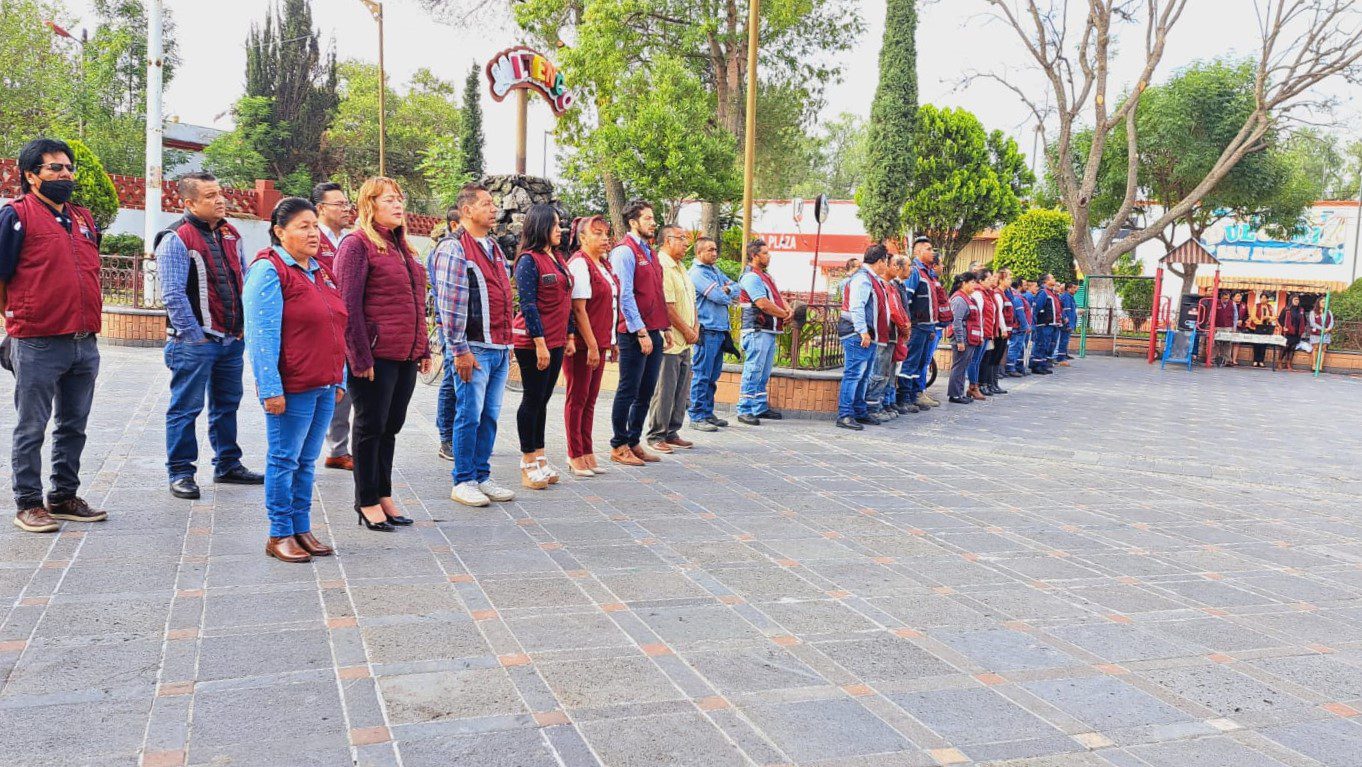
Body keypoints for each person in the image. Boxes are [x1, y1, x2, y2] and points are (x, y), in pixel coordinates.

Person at [0, 138, 108, 533]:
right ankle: (28, 503)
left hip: (84, 341)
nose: (65, 174)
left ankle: (63, 496)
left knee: (73, 425)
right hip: (38, 341)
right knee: (32, 426)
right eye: (54, 168)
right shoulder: (16, 215)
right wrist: (16, 321)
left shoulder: (82, 218)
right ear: (31, 176)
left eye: (68, 168)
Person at [243, 197, 347, 562]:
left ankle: (301, 527)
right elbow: (261, 335)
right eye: (303, 226)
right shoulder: (269, 270)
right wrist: (270, 388)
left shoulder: (320, 270)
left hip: (323, 383)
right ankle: (279, 533)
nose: (313, 233)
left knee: (306, 461)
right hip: (292, 386)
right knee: (284, 459)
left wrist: (340, 378)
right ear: (279, 231)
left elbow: (337, 327)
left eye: (315, 226)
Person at [155, 171, 263, 500]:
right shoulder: (176, 238)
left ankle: (228, 464)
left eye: (220, 194)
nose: (219, 201)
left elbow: (243, 279)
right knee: (185, 409)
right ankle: (181, 472)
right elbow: (172, 294)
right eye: (210, 196)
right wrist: (194, 335)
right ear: (188, 203)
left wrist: (243, 326)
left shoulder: (232, 234)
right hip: (195, 343)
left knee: (226, 405)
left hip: (230, 340)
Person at [334, 177, 432, 530]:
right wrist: (360, 356)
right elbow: (347, 305)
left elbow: (416, 304)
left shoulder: (404, 248)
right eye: (389, 199)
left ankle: (384, 493)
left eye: (400, 198)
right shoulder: (357, 245)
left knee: (391, 427)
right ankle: (367, 500)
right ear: (369, 204)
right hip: (375, 356)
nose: (398, 204)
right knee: (369, 426)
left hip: (404, 353)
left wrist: (422, 346)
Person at [432, 184, 518, 507]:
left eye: (493, 203)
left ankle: (482, 473)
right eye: (486, 203)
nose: (493, 208)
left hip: (497, 347)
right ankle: (463, 478)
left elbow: (505, 298)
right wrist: (459, 349)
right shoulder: (454, 249)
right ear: (467, 210)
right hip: (473, 347)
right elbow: (450, 303)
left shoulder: (493, 247)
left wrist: (507, 345)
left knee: (490, 414)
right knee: (468, 414)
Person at [512, 205, 574, 489]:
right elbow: (528, 304)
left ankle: (540, 455)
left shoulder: (558, 258)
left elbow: (566, 300)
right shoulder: (529, 260)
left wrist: (569, 336)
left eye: (560, 224)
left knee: (543, 400)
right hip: (534, 343)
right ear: (540, 227)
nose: (559, 229)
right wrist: (539, 343)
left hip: (557, 341)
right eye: (554, 225)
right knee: (532, 399)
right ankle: (527, 462)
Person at [609, 200, 670, 465]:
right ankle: (619, 443)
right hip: (634, 331)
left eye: (653, 218)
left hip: (654, 328)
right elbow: (625, 295)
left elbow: (656, 292)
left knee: (646, 390)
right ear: (633, 222)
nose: (653, 222)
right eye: (647, 218)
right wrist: (641, 332)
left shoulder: (650, 251)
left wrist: (663, 327)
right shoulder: (625, 252)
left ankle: (634, 440)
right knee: (628, 389)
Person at [564, 216, 619, 476]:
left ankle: (587, 450)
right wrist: (593, 345)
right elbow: (579, 309)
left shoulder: (604, 264)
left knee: (590, 399)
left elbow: (611, 306)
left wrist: (612, 341)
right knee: (577, 398)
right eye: (597, 233)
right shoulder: (579, 264)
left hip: (600, 341)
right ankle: (574, 453)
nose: (604, 238)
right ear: (583, 238)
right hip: (584, 345)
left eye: (606, 233)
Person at [312, 181, 357, 472]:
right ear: (320, 208)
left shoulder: (349, 241)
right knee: (321, 390)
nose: (346, 209)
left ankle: (338, 450)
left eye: (346, 204)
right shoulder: (312, 239)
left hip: (349, 329)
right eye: (339, 204)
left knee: (346, 392)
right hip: (322, 328)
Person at [646, 225, 700, 453]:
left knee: (681, 391)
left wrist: (695, 326)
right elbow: (667, 307)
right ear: (667, 240)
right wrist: (686, 329)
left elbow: (691, 302)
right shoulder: (663, 266)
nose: (686, 243)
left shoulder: (681, 267)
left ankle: (672, 431)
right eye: (681, 238)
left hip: (686, 340)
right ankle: (657, 434)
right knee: (665, 390)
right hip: (671, 340)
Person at [735, 239, 793, 425]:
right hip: (756, 329)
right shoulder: (752, 277)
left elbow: (775, 296)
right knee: (754, 369)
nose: (769, 256)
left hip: (767, 330)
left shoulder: (765, 276)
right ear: (754, 255)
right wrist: (784, 314)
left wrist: (787, 309)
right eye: (765, 253)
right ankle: (744, 408)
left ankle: (759, 406)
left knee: (763, 371)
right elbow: (762, 303)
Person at [835, 245, 892, 430]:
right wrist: (863, 331)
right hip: (856, 333)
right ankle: (845, 414)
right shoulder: (863, 279)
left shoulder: (870, 278)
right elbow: (856, 306)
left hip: (866, 334)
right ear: (880, 261)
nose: (887, 265)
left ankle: (859, 411)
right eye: (886, 261)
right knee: (854, 374)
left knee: (864, 375)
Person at [687, 237, 736, 432]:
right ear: (699, 253)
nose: (714, 253)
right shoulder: (697, 274)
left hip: (720, 331)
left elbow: (737, 289)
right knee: (702, 375)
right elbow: (718, 296)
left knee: (713, 376)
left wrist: (728, 289)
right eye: (710, 250)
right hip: (706, 331)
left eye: (716, 249)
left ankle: (707, 412)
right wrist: (724, 292)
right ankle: (697, 416)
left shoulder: (715, 271)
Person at [897, 236, 949, 411]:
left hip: (928, 328)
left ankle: (913, 396)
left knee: (920, 365)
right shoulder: (915, 272)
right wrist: (908, 324)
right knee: (910, 363)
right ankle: (904, 398)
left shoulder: (928, 274)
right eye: (928, 248)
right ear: (917, 252)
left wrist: (933, 327)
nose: (932, 252)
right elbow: (906, 299)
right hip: (917, 327)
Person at [427, 204, 460, 461]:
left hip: (467, 330)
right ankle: (446, 437)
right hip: (448, 326)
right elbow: (444, 295)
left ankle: (459, 435)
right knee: (450, 378)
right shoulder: (445, 249)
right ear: (453, 224)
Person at [947, 272, 982, 405]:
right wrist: (960, 340)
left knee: (963, 366)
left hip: (970, 338)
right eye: (972, 282)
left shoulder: (969, 298)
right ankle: (954, 394)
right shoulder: (959, 299)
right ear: (963, 283)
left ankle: (959, 393)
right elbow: (956, 321)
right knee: (959, 367)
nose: (975, 285)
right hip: (962, 339)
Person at [1030, 274, 1061, 374]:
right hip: (1044, 324)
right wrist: (1035, 323)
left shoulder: (1051, 293)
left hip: (1051, 324)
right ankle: (1036, 365)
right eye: (1052, 278)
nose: (1054, 279)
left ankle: (1043, 364)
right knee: (1041, 344)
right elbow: (1037, 308)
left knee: (1047, 345)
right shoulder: (1043, 293)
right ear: (1045, 281)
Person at [1004, 273, 1031, 376]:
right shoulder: (1016, 297)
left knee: (1018, 347)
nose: (1026, 287)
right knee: (1015, 347)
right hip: (1018, 327)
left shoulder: (1018, 296)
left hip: (1019, 326)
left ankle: (1015, 367)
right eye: (1024, 285)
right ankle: (1010, 368)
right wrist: (1025, 326)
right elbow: (1020, 313)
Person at [1278, 294, 1307, 372]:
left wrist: (1302, 328)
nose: (1297, 301)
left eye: (1298, 300)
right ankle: (1280, 361)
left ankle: (1288, 363)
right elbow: (1280, 319)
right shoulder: (1286, 309)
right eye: (1295, 300)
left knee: (1293, 348)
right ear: (1291, 300)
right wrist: (1283, 326)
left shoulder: (1301, 310)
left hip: (1297, 332)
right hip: (1287, 331)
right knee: (1285, 347)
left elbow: (1305, 320)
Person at [1248, 294, 1277, 368]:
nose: (1263, 299)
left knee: (1264, 344)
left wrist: (1268, 318)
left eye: (1265, 298)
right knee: (1257, 344)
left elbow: (1274, 316)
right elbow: (1253, 316)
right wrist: (1260, 322)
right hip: (1257, 327)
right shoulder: (1256, 306)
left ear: (1267, 299)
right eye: (1262, 298)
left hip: (1267, 327)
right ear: (1260, 299)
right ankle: (1255, 360)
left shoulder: (1270, 307)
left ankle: (1261, 361)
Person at [1054, 282, 1078, 366]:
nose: (1076, 289)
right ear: (1068, 288)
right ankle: (1061, 359)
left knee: (1065, 341)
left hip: (1069, 323)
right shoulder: (1066, 297)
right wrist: (1069, 325)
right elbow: (1066, 311)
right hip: (1066, 324)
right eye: (1074, 287)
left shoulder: (1070, 297)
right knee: (1063, 341)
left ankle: (1062, 357)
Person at [1308, 298, 1335, 369]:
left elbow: (1331, 322)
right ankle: (1314, 365)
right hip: (1316, 333)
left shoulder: (1329, 312)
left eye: (1325, 302)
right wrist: (1322, 329)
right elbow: (1312, 323)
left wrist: (1328, 329)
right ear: (1318, 303)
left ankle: (1320, 365)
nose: (1324, 303)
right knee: (1316, 348)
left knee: (1323, 349)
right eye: (1323, 302)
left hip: (1326, 333)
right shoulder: (1313, 312)